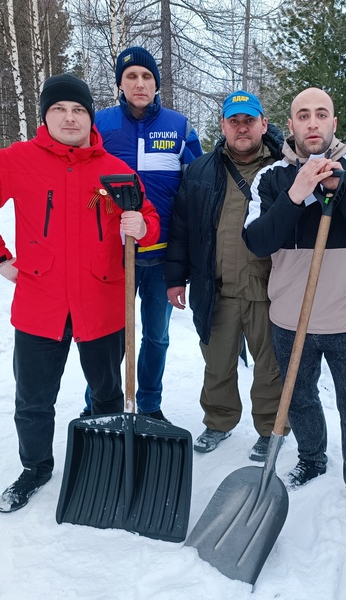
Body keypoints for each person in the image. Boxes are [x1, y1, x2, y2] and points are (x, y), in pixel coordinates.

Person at [0, 74, 161, 513]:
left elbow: (148, 218)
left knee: (105, 394)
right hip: (40, 305)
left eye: (79, 110)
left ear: (90, 117)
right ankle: (35, 468)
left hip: (102, 304)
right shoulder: (17, 161)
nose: (70, 118)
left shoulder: (116, 170)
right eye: (60, 109)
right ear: (45, 116)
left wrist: (141, 227)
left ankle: (104, 461)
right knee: (33, 399)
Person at [243, 87, 346, 532]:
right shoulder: (272, 178)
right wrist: (297, 193)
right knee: (299, 397)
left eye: (322, 114)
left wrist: (342, 189)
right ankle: (312, 457)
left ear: (334, 123)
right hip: (290, 319)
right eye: (303, 115)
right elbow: (257, 241)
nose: (312, 123)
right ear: (290, 125)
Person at [83, 46, 203, 422]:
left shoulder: (179, 127)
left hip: (162, 255)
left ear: (156, 84)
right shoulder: (99, 126)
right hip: (112, 255)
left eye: (147, 76)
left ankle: (149, 405)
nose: (139, 83)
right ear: (119, 82)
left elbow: (199, 182)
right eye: (131, 75)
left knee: (156, 336)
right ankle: (99, 406)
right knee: (109, 338)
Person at [165, 90, 286, 461]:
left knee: (270, 368)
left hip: (269, 290)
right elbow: (183, 225)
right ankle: (218, 421)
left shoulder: (284, 167)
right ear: (223, 126)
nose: (242, 128)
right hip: (215, 287)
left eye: (249, 120)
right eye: (234, 121)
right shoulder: (202, 170)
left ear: (263, 124)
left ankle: (271, 430)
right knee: (217, 363)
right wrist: (175, 276)